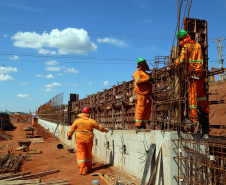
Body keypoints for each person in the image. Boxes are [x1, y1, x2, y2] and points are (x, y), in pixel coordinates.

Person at [174, 30, 210, 133]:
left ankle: (194, 117)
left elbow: (181, 60)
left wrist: (174, 62)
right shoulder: (197, 45)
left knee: (192, 96)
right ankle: (205, 111)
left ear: (181, 39)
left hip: (193, 75)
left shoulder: (186, 47)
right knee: (201, 95)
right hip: (200, 74)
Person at [67, 107, 109, 175]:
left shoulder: (78, 121)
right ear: (88, 113)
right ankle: (89, 168)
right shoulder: (91, 121)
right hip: (89, 140)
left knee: (81, 154)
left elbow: (72, 129)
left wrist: (69, 135)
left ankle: (83, 171)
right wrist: (106, 130)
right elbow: (99, 127)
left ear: (82, 113)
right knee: (88, 153)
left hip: (80, 140)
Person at [133, 57, 154, 129]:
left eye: (144, 63)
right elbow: (138, 81)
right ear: (139, 65)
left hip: (147, 96)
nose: (144, 65)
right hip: (140, 95)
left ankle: (144, 124)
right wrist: (148, 79)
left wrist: (151, 80)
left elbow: (149, 82)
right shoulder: (137, 73)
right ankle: (138, 125)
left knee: (147, 110)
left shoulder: (146, 74)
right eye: (142, 64)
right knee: (140, 110)